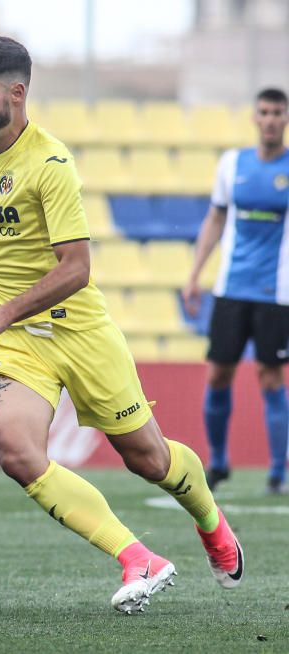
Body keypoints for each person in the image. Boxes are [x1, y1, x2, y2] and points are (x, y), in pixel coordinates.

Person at [0, 35, 244, 614]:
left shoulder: (50, 164)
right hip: (16, 341)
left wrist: (1, 311)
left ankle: (210, 521)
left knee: (149, 461)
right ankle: (137, 556)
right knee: (15, 448)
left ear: (16, 94)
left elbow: (78, 269)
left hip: (77, 332)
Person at [182, 88, 289, 495]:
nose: (270, 119)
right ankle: (219, 462)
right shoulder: (233, 164)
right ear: (255, 117)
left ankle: (278, 470)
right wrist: (194, 274)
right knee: (219, 373)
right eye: (264, 112)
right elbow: (215, 218)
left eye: (278, 112)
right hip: (231, 288)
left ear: (285, 118)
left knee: (270, 376)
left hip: (276, 291)